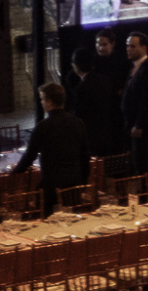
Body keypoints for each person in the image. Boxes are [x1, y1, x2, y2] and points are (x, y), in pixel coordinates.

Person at [13, 82, 91, 215]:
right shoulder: (78, 123)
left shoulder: (43, 127)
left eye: (42, 99)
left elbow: (29, 156)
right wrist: (83, 181)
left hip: (52, 185)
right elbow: (85, 155)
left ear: (49, 102)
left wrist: (15, 172)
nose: (42, 103)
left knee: (49, 219)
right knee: (74, 218)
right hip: (74, 182)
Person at [74, 39, 125, 156]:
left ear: (76, 66)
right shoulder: (104, 81)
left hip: (92, 136)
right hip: (108, 131)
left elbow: (80, 114)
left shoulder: (82, 87)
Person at [121, 30, 148, 169]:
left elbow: (147, 101)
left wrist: (139, 124)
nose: (128, 49)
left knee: (143, 165)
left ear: (144, 48)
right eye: (127, 46)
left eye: (133, 46)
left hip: (143, 129)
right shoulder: (134, 68)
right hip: (133, 126)